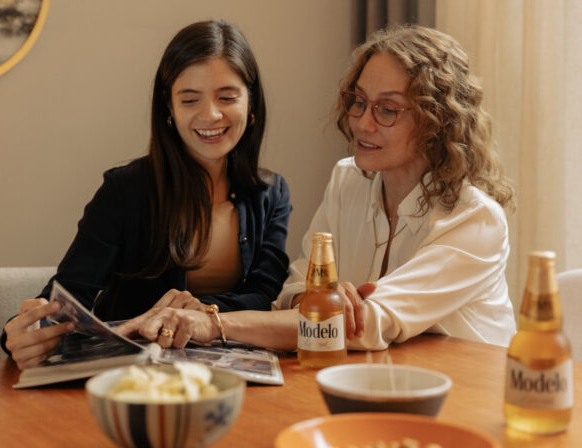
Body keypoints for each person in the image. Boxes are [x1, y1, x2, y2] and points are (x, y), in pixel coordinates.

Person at [117, 24, 516, 352]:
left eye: (387, 110)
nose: (362, 122)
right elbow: (293, 290)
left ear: (437, 122)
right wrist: (317, 300)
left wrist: (212, 323)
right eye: (358, 101)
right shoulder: (348, 181)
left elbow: (356, 327)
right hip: (378, 387)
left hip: (469, 402)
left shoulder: (476, 220)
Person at [2, 20, 292, 369]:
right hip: (131, 376)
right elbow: (68, 293)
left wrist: (204, 314)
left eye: (227, 97)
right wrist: (18, 335)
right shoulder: (123, 190)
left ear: (251, 103)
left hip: (233, 377)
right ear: (169, 109)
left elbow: (266, 295)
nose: (211, 114)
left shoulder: (272, 193)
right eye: (189, 99)